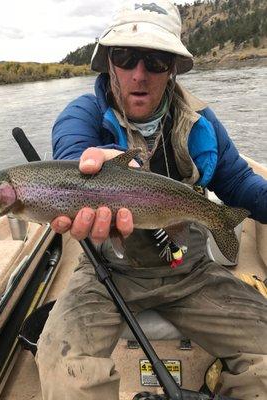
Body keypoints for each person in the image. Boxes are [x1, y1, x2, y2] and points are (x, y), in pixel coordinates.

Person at [35, 1, 267, 399]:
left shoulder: (202, 123)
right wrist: (95, 169)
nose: (139, 74)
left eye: (156, 61)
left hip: (189, 272)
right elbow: (73, 152)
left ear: (172, 68)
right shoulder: (82, 116)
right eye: (125, 57)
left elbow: (242, 186)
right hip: (108, 272)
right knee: (65, 371)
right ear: (109, 62)